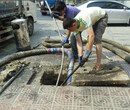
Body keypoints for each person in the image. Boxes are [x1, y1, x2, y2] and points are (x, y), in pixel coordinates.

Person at [62, 7, 108, 72]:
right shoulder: (74, 28)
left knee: (97, 39)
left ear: (74, 25)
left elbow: (92, 35)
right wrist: (80, 56)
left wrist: (87, 53)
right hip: (93, 19)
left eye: (70, 29)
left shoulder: (84, 18)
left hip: (102, 17)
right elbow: (79, 42)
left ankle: (99, 65)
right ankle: (85, 58)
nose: (70, 31)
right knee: (89, 39)